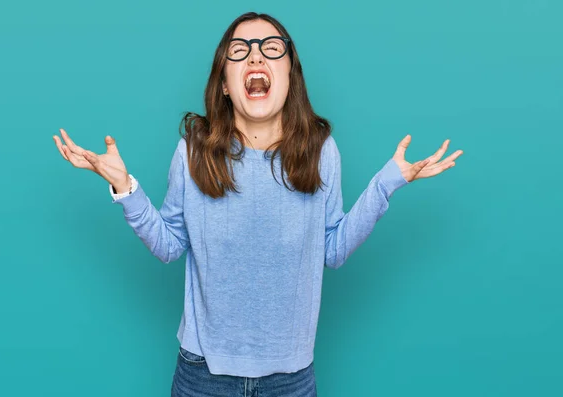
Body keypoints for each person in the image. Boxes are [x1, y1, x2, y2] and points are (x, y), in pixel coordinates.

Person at [53, 11, 463, 397]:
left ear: (289, 76)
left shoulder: (321, 151)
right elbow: (169, 245)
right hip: (202, 374)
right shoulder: (193, 150)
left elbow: (333, 250)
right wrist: (125, 187)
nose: (255, 55)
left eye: (271, 48)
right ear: (227, 85)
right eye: (240, 49)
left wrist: (387, 183)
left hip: (291, 378)